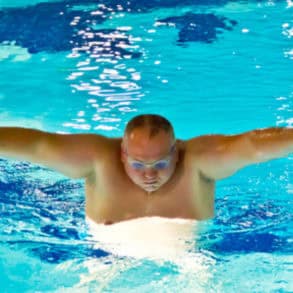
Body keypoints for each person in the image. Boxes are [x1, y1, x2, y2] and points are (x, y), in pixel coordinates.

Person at [0, 114, 292, 225]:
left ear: (176, 151)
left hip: (192, 260)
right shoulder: (97, 158)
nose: (149, 175)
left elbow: (254, 145)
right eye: (138, 165)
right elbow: (37, 145)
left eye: (161, 164)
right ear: (123, 154)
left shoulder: (200, 160)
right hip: (103, 259)